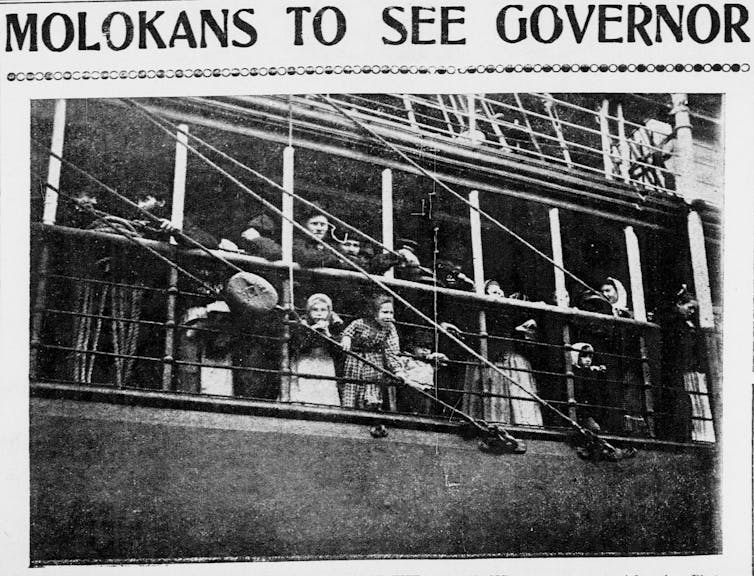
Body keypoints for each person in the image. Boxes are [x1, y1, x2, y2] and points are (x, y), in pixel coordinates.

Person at [340, 293, 402, 410]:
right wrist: (346, 339)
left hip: (374, 360)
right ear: (374, 313)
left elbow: (392, 349)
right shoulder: (360, 323)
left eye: (391, 312)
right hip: (356, 359)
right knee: (353, 384)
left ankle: (369, 409)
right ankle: (349, 410)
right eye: (384, 312)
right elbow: (348, 332)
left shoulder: (390, 328)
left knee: (372, 385)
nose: (388, 316)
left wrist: (397, 370)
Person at [286, 293, 343, 406]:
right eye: (315, 310)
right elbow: (298, 347)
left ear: (329, 312)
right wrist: (312, 331)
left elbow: (338, 352)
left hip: (324, 363)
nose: (319, 313)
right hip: (305, 362)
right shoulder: (302, 325)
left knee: (324, 391)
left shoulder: (334, 327)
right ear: (309, 311)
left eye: (323, 310)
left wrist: (327, 333)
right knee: (305, 389)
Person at [395, 329, 448, 415]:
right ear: (412, 347)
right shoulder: (407, 359)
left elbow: (445, 361)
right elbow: (398, 367)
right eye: (420, 347)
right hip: (411, 389)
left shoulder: (430, 363)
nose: (424, 350)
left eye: (428, 348)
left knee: (426, 410)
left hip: (427, 390)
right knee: (410, 411)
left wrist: (435, 355)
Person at [571, 342, 608, 432]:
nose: (588, 360)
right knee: (594, 428)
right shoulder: (575, 372)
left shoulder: (589, 371)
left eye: (590, 357)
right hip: (581, 411)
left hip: (590, 410)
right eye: (584, 356)